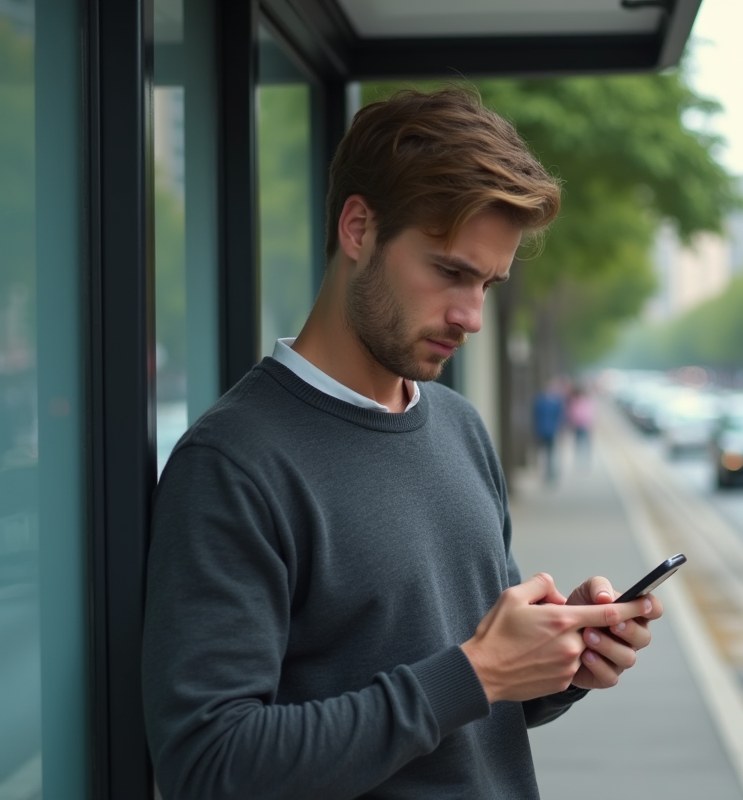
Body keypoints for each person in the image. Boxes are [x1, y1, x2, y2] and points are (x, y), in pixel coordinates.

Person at [143, 87, 664, 800]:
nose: (470, 315)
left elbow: (470, 701)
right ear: (358, 228)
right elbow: (208, 765)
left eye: (488, 284)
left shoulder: (459, 426)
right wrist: (478, 671)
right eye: (450, 271)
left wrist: (558, 662)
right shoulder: (233, 463)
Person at [532, 379, 566, 484]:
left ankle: (549, 472)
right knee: (546, 453)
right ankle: (548, 472)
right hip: (545, 430)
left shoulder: (546, 401)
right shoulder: (547, 401)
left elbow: (560, 418)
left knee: (549, 452)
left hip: (548, 431)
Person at [566, 383, 595, 468]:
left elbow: (590, 413)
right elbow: (571, 413)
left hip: (584, 425)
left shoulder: (584, 401)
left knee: (584, 443)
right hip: (579, 425)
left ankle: (585, 460)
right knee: (579, 442)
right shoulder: (576, 402)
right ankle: (580, 460)